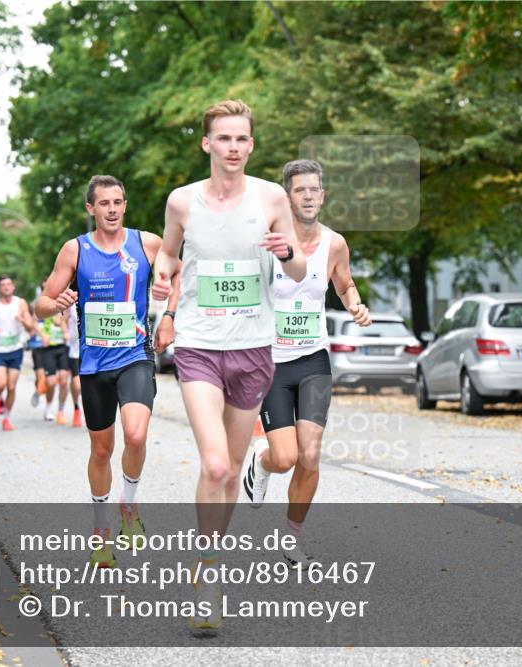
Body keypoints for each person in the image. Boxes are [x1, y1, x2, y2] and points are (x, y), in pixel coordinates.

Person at [151, 99, 306, 632]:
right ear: (207, 144)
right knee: (215, 465)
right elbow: (168, 254)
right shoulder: (182, 201)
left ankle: (208, 560)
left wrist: (286, 253)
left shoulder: (272, 197)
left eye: (242, 139)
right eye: (224, 138)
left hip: (254, 346)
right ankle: (208, 578)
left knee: (233, 468)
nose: (233, 147)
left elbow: (298, 268)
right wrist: (163, 279)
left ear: (251, 145)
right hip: (198, 343)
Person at [36, 174, 178, 568]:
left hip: (135, 356)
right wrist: (56, 303)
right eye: (104, 203)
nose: (112, 209)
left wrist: (168, 316)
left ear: (124, 205)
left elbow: (180, 272)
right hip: (94, 363)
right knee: (102, 450)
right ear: (91, 208)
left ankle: (128, 506)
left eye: (117, 202)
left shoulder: (147, 244)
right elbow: (42, 304)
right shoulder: (75, 250)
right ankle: (101, 530)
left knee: (136, 434)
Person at [243, 159, 370, 570]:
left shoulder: (335, 243)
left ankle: (291, 539)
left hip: (314, 359)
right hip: (272, 363)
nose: (309, 196)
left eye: (314, 189)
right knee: (285, 458)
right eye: (300, 190)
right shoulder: (267, 243)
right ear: (288, 197)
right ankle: (262, 460)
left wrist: (355, 305)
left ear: (323, 195)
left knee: (310, 455)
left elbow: (344, 284)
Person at [0, 275, 37, 431]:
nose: (6, 287)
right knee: (0, 384)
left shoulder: (20, 303)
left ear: (13, 287)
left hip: (15, 349)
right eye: (3, 285)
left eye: (9, 284)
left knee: (11, 386)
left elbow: (31, 327)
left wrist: (22, 319)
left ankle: (6, 418)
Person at [65, 304, 83, 428]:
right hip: (75, 351)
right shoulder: (71, 303)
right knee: (77, 384)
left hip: (91, 352)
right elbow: (62, 320)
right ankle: (76, 407)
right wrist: (65, 331)